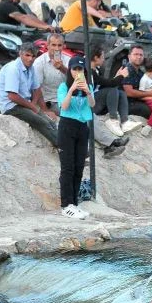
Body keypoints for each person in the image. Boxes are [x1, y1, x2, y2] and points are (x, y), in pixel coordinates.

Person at [0, 43, 58, 146]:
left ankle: (63, 147)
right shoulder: (13, 68)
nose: (30, 59)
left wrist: (38, 107)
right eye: (27, 55)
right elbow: (12, 96)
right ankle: (65, 148)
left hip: (24, 104)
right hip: (11, 106)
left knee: (51, 122)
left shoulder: (31, 68)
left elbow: (37, 89)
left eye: (33, 56)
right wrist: (32, 107)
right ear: (20, 54)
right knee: (43, 123)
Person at [57, 56, 94, 220]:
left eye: (80, 69)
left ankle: (74, 202)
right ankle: (66, 205)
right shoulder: (63, 87)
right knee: (68, 167)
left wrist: (88, 92)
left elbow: (92, 105)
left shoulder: (88, 86)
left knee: (79, 166)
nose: (78, 72)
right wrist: (71, 90)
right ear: (70, 70)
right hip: (67, 126)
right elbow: (64, 106)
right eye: (75, 69)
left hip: (82, 127)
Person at [90, 47, 140, 137]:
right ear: (96, 58)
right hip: (90, 104)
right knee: (112, 90)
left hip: (97, 100)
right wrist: (121, 76)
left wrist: (117, 76)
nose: (104, 60)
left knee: (120, 92)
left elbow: (105, 84)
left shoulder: (97, 70)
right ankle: (112, 119)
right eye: (102, 57)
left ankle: (125, 122)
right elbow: (108, 84)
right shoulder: (89, 71)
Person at [32, 33, 68, 117]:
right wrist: (45, 110)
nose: (57, 49)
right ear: (48, 46)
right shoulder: (39, 63)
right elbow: (36, 88)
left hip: (68, 98)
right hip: (51, 101)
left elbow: (76, 79)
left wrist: (62, 68)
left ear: (63, 46)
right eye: (53, 45)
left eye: (59, 45)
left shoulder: (67, 60)